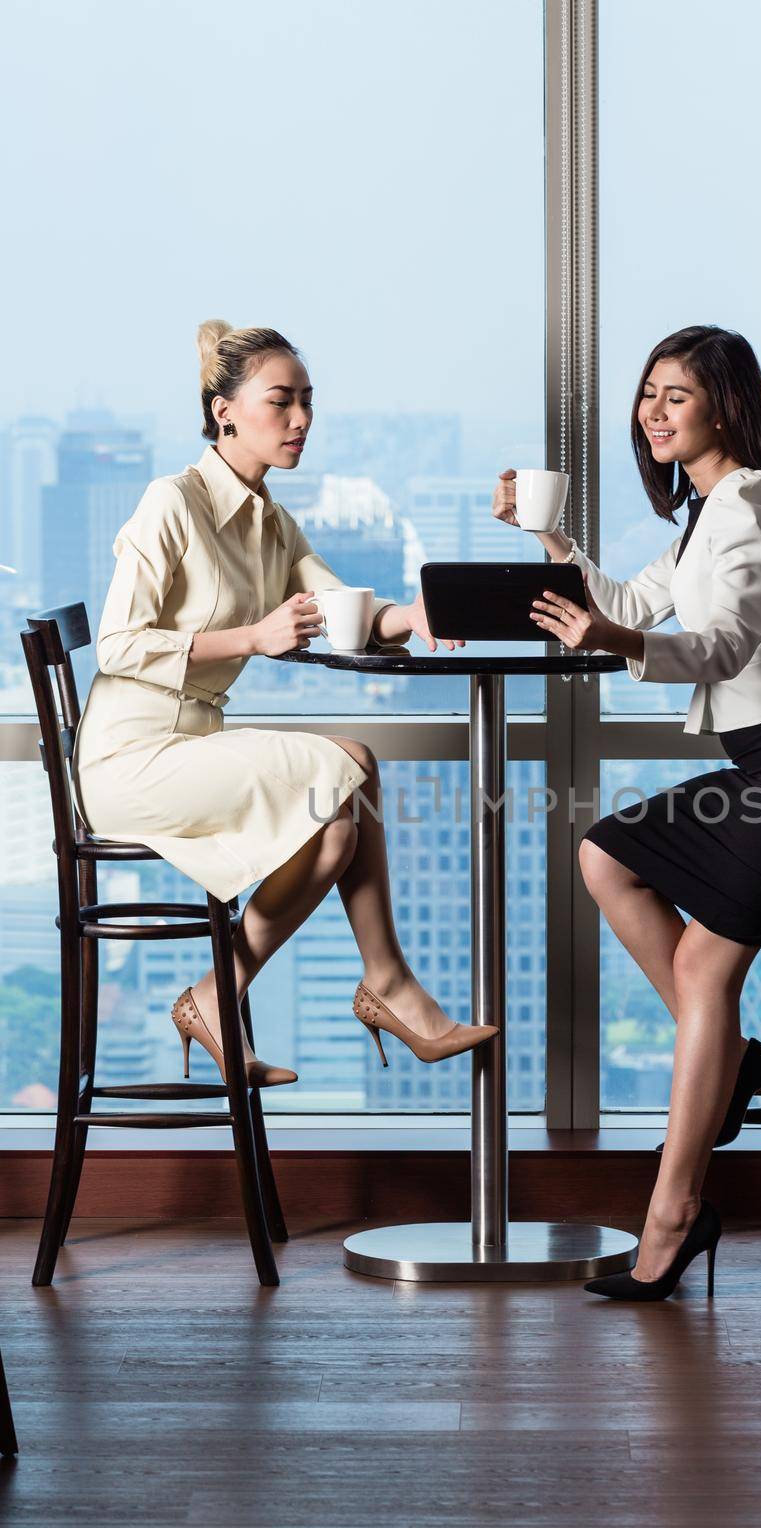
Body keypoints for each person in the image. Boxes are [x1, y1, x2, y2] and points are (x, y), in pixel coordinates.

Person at [492, 323, 761, 1300]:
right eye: (647, 393)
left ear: (723, 405)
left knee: (703, 964)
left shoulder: (750, 506)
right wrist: (550, 542)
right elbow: (629, 597)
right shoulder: (705, 513)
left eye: (675, 395)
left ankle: (671, 1214)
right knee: (606, 854)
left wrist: (614, 636)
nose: (652, 412)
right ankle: (730, 1063)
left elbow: (721, 649)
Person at [73, 319, 497, 1088]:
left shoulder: (269, 519)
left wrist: (416, 616)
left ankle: (218, 992)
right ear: (223, 410)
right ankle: (384, 985)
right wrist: (250, 637)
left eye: (308, 402)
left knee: (336, 834)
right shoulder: (170, 502)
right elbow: (117, 646)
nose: (301, 420)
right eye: (282, 402)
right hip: (130, 758)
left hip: (194, 745)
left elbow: (343, 606)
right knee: (353, 766)